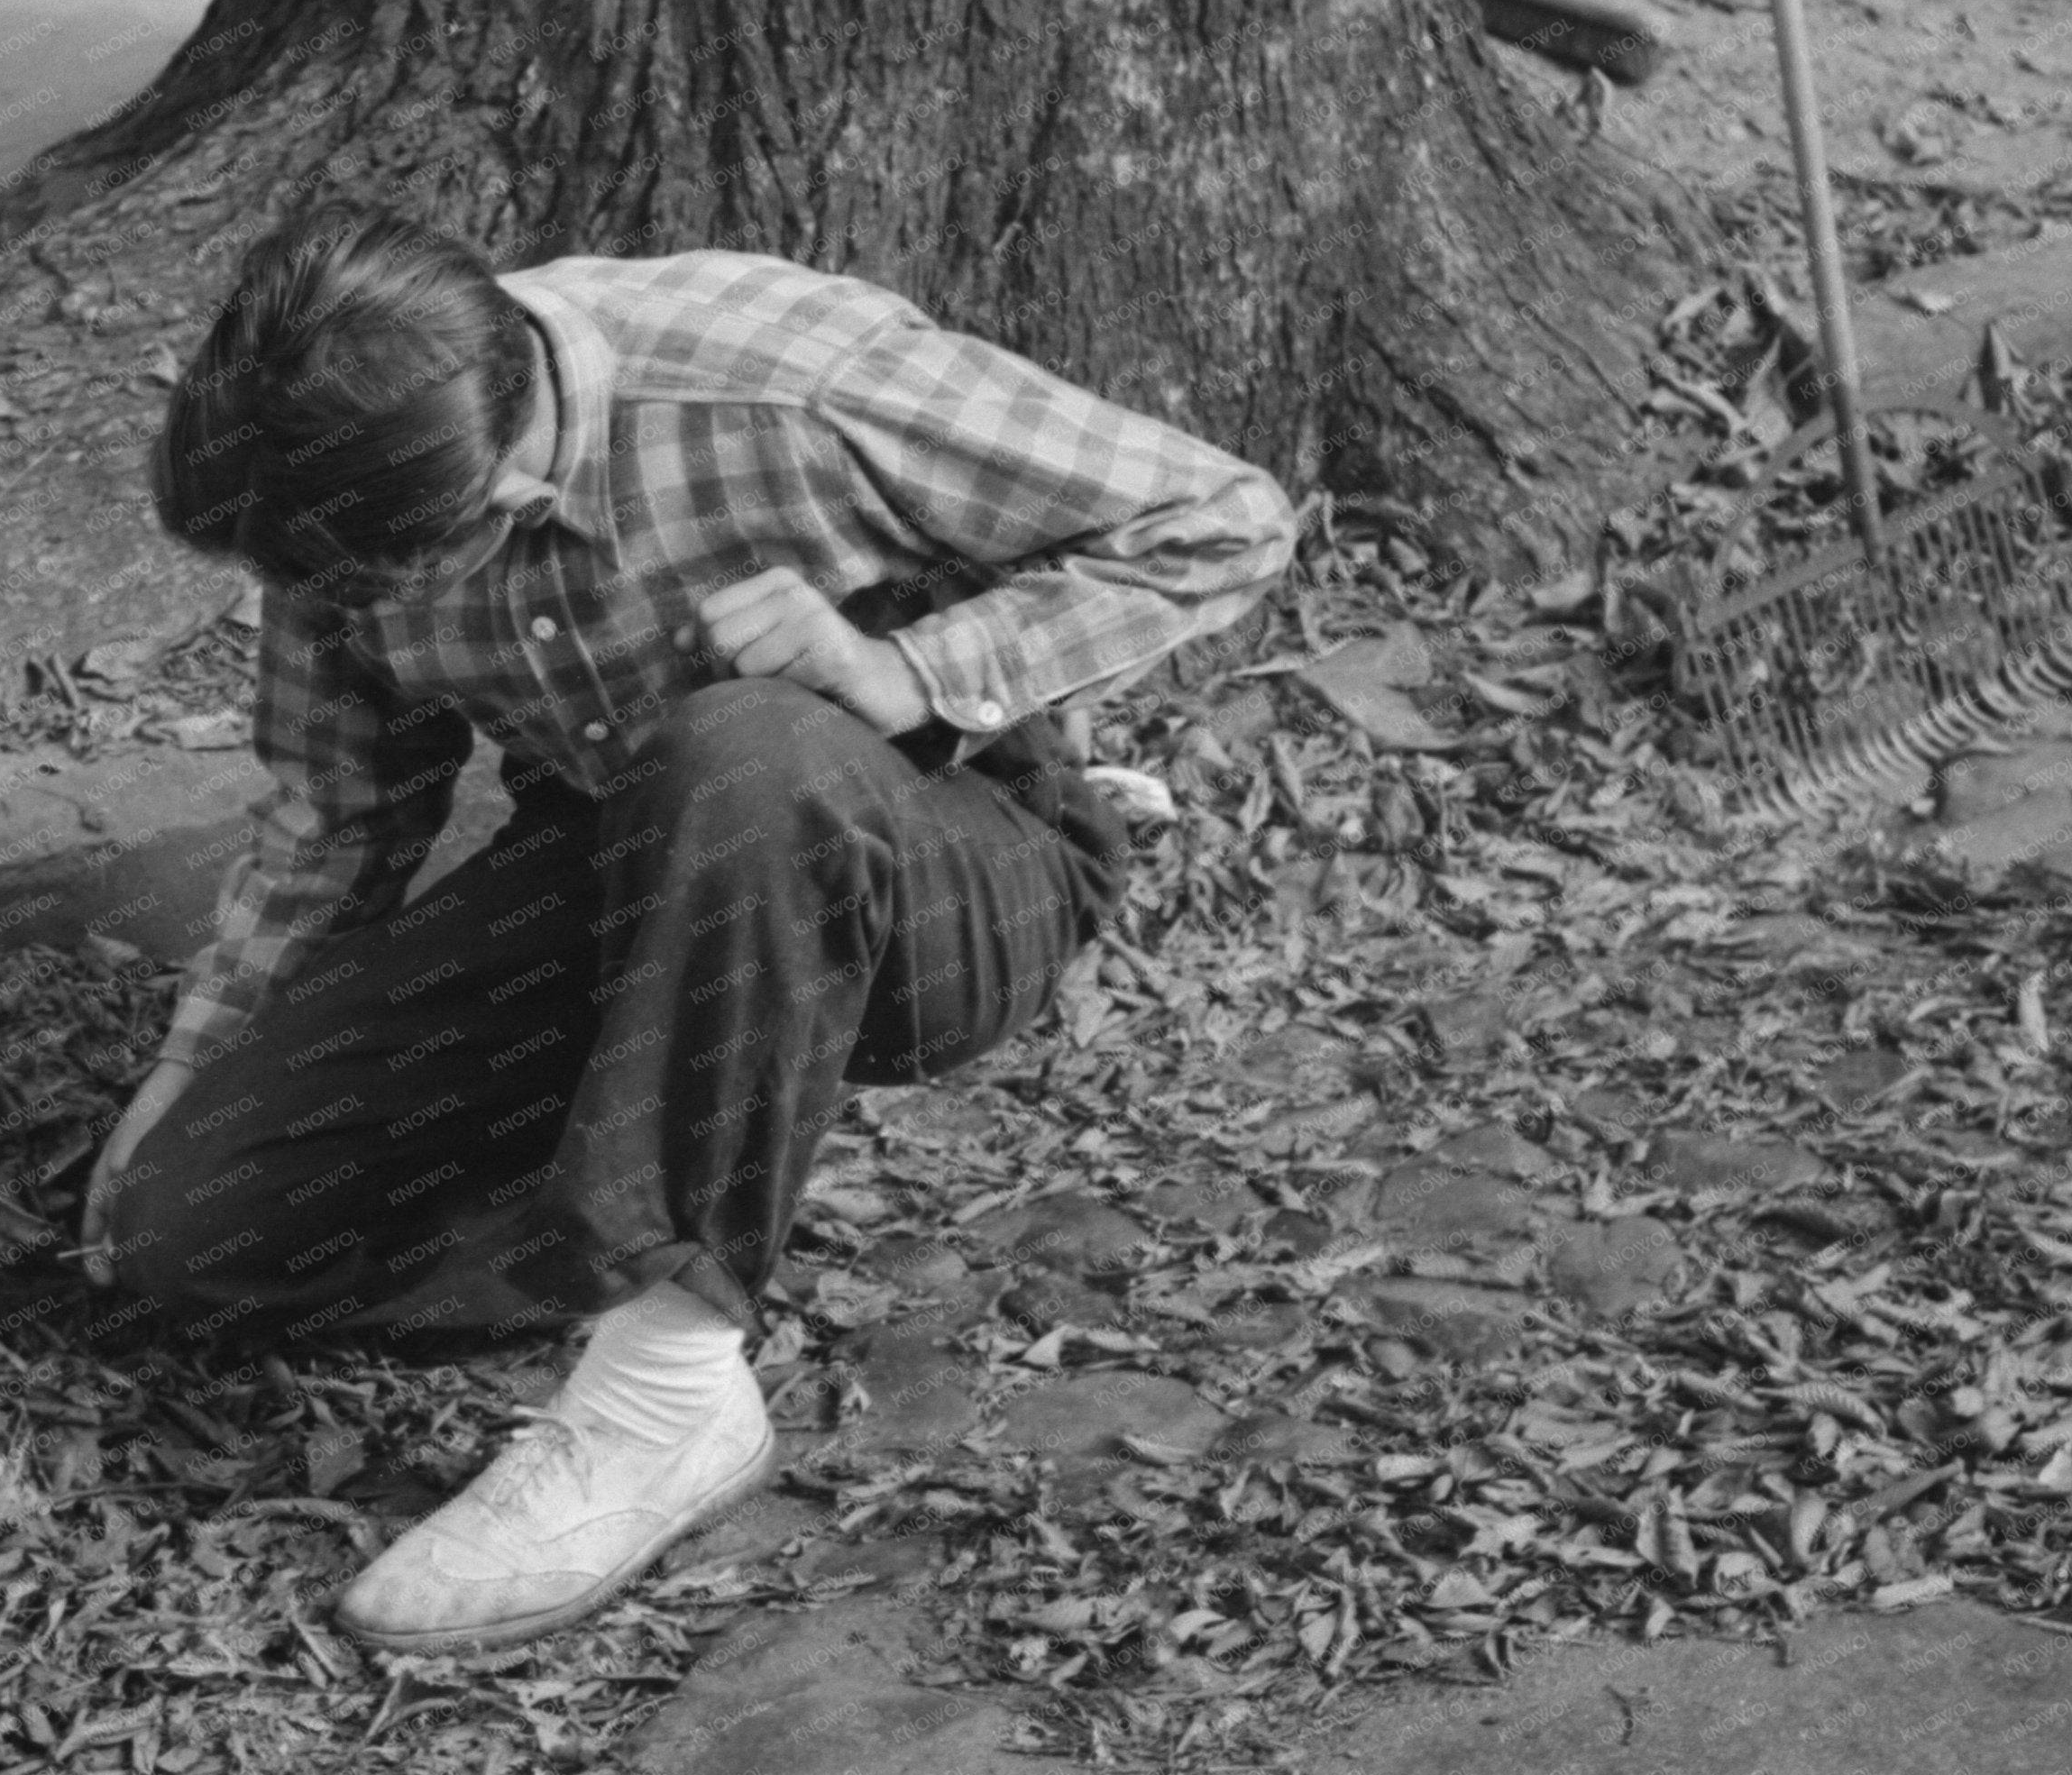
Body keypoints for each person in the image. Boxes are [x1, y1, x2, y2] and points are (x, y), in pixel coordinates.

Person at [78, 205, 1297, 1657]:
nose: (324, 613)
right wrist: (185, 1075)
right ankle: (651, 1182)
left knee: (741, 752)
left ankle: (667, 1390)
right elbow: (338, 822)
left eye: (360, 591)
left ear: (511, 495)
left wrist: (908, 667)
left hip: (951, 856)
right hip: (622, 870)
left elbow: (1225, 514)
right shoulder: (337, 486)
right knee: (187, 1229)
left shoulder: (785, 378)